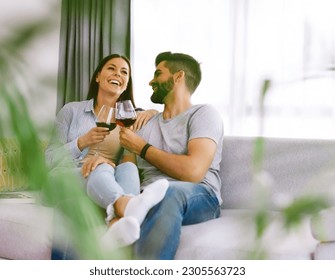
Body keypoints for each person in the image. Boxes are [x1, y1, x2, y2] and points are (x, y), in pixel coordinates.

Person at [45, 54, 169, 251]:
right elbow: (47, 161)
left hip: (105, 179)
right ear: (98, 76)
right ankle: (127, 206)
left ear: (127, 83)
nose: (117, 74)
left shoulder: (130, 117)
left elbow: (160, 118)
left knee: (128, 168)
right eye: (111, 68)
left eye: (124, 72)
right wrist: (81, 142)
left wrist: (151, 112)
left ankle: (117, 223)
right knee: (103, 167)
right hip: (65, 177)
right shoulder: (71, 111)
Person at [119, 51, 224, 259]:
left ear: (178, 77)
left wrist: (142, 148)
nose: (151, 81)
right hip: (145, 196)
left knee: (166, 193)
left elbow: (193, 172)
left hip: (197, 195)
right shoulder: (143, 122)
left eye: (158, 74)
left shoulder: (203, 114)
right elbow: (127, 173)